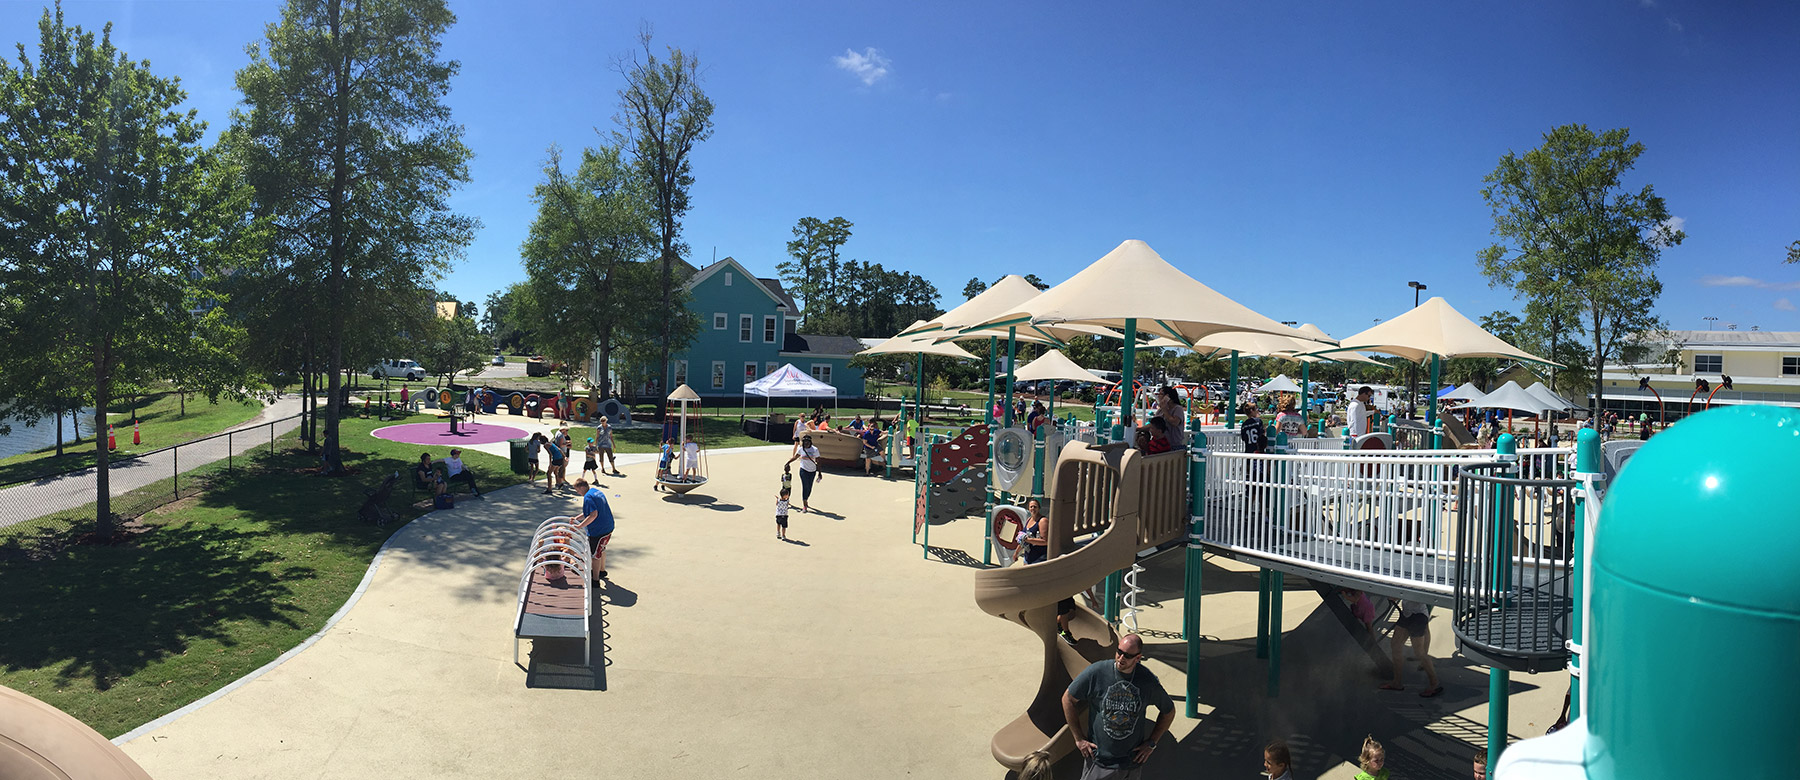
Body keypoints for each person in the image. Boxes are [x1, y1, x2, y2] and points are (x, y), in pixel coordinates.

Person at [1061, 633, 1176, 779]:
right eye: (1119, 652)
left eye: (1127, 656)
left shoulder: (1147, 681)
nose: (1121, 658)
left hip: (1131, 763)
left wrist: (1152, 742)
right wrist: (1079, 738)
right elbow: (1068, 699)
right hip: (1100, 761)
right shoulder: (1097, 672)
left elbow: (1169, 711)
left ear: (1138, 658)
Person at [1380, 600, 1443, 697]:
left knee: (1419, 652)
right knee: (1396, 645)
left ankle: (1434, 683)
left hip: (1418, 616)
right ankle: (1397, 682)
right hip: (1406, 613)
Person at [571, 477, 613, 583]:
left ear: (582, 487)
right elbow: (589, 512)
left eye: (577, 490)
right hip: (608, 526)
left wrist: (579, 526)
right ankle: (602, 571)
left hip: (598, 531)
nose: (578, 493)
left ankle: (595, 580)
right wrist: (576, 518)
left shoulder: (588, 497)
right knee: (601, 549)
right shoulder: (595, 492)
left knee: (594, 555)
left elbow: (593, 515)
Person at [785, 434, 822, 512]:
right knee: (805, 486)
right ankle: (804, 504)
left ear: (810, 442)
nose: (806, 443)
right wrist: (788, 462)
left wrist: (819, 473)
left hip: (812, 471)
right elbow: (795, 457)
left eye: (807, 442)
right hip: (803, 470)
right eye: (805, 442)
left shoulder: (815, 450)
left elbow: (818, 462)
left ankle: (806, 499)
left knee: (809, 487)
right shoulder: (801, 449)